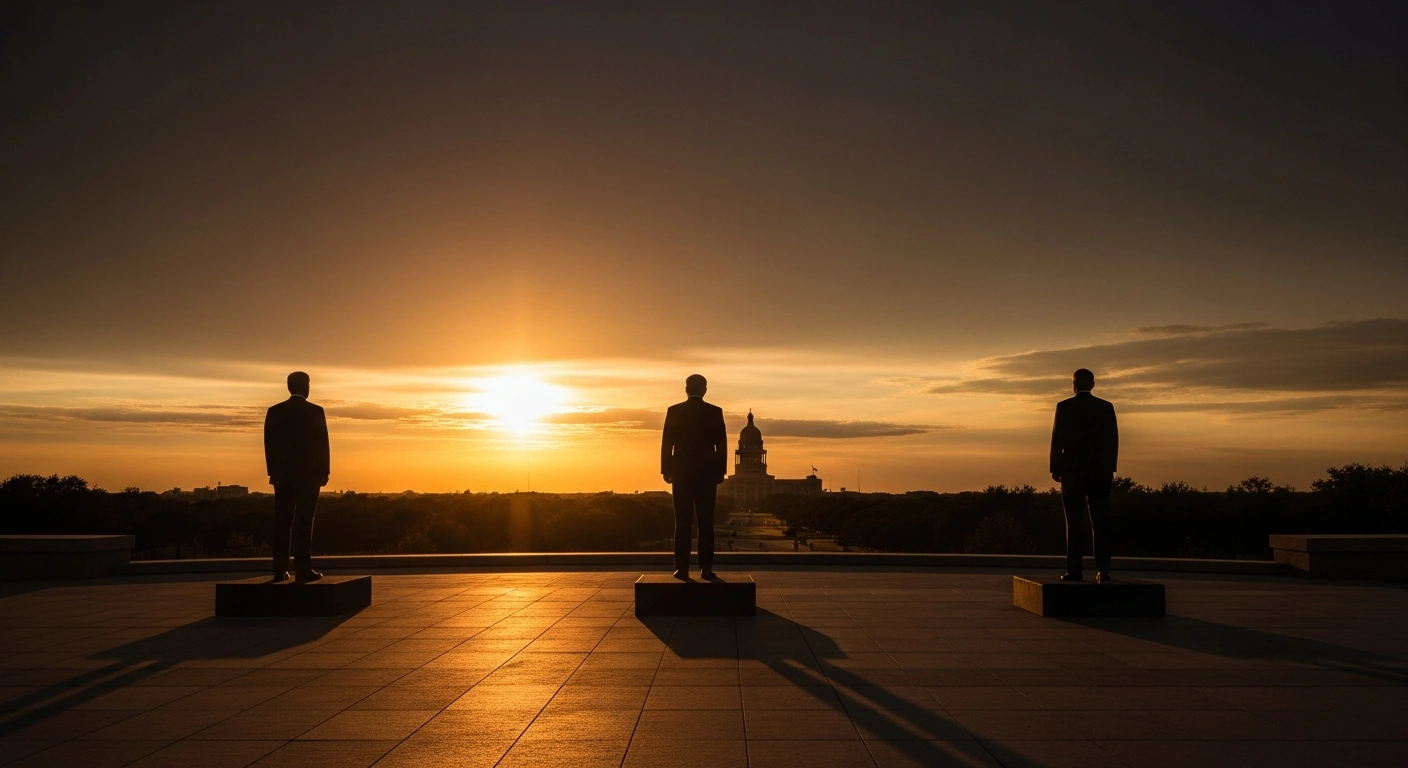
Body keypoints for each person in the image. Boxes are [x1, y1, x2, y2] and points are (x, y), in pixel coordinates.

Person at [1049, 368, 1119, 582]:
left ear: (1074, 385)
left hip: (1072, 473)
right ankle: (1104, 569)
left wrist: (1055, 468)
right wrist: (1109, 469)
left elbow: (1056, 439)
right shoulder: (1106, 407)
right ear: (1093, 384)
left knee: (1074, 522)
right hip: (1099, 473)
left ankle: (1074, 570)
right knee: (1100, 521)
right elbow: (1113, 441)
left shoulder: (1064, 407)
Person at [264, 371, 330, 582]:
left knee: (282, 522)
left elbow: (269, 444)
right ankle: (303, 569)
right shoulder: (316, 411)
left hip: (282, 476)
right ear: (306, 387)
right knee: (304, 522)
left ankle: (279, 569)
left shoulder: (275, 411)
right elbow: (323, 444)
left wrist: (273, 471)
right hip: (310, 477)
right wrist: (324, 471)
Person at [660, 374, 727, 580]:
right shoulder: (714, 412)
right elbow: (721, 444)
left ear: (686, 389)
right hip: (707, 475)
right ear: (705, 389)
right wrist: (720, 471)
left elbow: (667, 444)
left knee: (682, 523)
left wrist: (666, 470)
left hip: (681, 474)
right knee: (706, 523)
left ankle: (682, 568)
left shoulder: (675, 411)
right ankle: (706, 569)